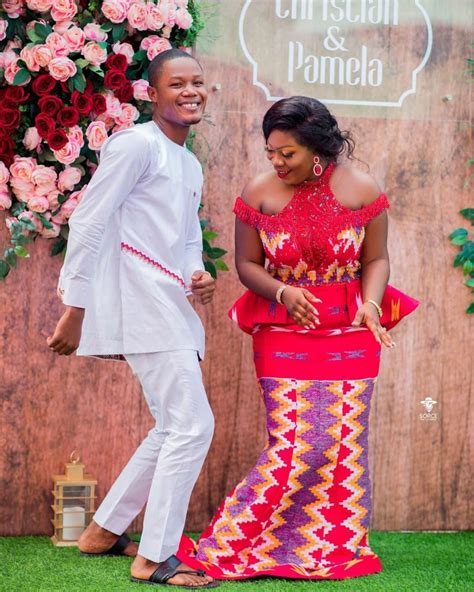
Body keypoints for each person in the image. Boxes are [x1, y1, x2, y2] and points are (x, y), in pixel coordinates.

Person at [178, 96, 418, 581]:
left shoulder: (362, 188)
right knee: (292, 443)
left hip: (352, 333)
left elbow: (376, 259)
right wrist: (284, 292)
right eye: (271, 151)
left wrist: (371, 305)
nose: (276, 162)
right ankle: (237, 540)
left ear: (318, 150)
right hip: (282, 333)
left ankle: (331, 546)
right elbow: (247, 265)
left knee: (341, 442)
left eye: (287, 153)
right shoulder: (259, 192)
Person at [47, 49, 219, 589]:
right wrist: (75, 308)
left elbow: (187, 236)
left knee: (173, 426)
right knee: (192, 427)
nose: (190, 92)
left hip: (172, 301)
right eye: (177, 84)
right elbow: (92, 221)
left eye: (197, 83)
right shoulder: (134, 146)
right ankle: (154, 558)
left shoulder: (188, 163)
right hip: (141, 303)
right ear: (152, 93)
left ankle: (101, 531)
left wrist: (197, 271)